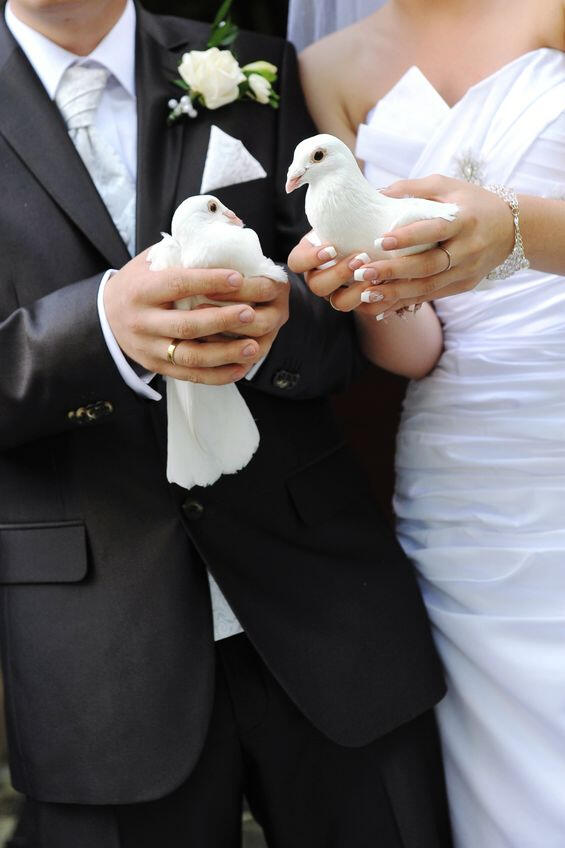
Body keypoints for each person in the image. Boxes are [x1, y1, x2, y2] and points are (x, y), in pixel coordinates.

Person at [0, 1, 453, 846]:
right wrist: (98, 333)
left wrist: (283, 321)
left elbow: (343, 321)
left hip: (326, 610)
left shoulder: (255, 66)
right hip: (98, 654)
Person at [287, 0, 565, 845]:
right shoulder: (325, 66)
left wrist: (513, 230)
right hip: (463, 464)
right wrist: (361, 287)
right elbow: (411, 351)